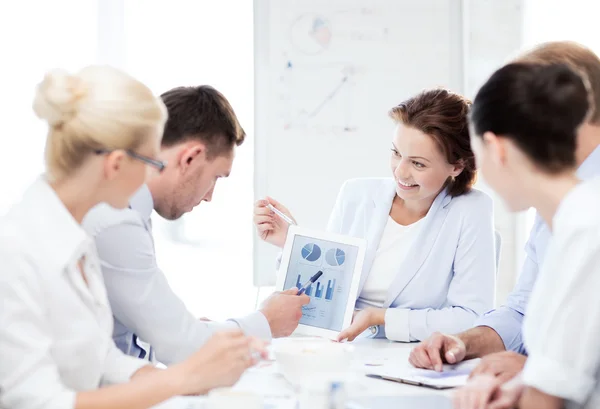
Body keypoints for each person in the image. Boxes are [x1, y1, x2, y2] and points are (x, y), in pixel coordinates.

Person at [0, 66, 264, 409]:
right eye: (152, 161)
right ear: (116, 164)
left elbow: (99, 355)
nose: (153, 176)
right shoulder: (16, 251)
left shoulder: (73, 238)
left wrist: (184, 375)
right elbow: (35, 401)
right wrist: (183, 377)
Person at [409, 41, 600, 376]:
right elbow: (523, 310)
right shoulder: (556, 196)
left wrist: (538, 377)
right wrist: (465, 342)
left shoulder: (584, 212)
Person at [82, 85, 309, 365]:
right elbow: (180, 345)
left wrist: (197, 332)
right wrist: (266, 322)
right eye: (216, 176)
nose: (210, 196)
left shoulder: (121, 204)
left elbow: (155, 334)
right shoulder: (115, 219)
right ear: (189, 158)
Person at [254, 89, 496, 342]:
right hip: (340, 346)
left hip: (410, 354)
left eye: (418, 164)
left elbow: (471, 317)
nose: (400, 173)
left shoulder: (471, 210)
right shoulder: (356, 194)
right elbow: (325, 288)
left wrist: (380, 317)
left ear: (456, 166)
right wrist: (292, 242)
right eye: (396, 153)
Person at [454, 62, 600, 409]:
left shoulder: (585, 231)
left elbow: (548, 400)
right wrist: (523, 386)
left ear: (496, 148)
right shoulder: (572, 218)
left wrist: (531, 392)